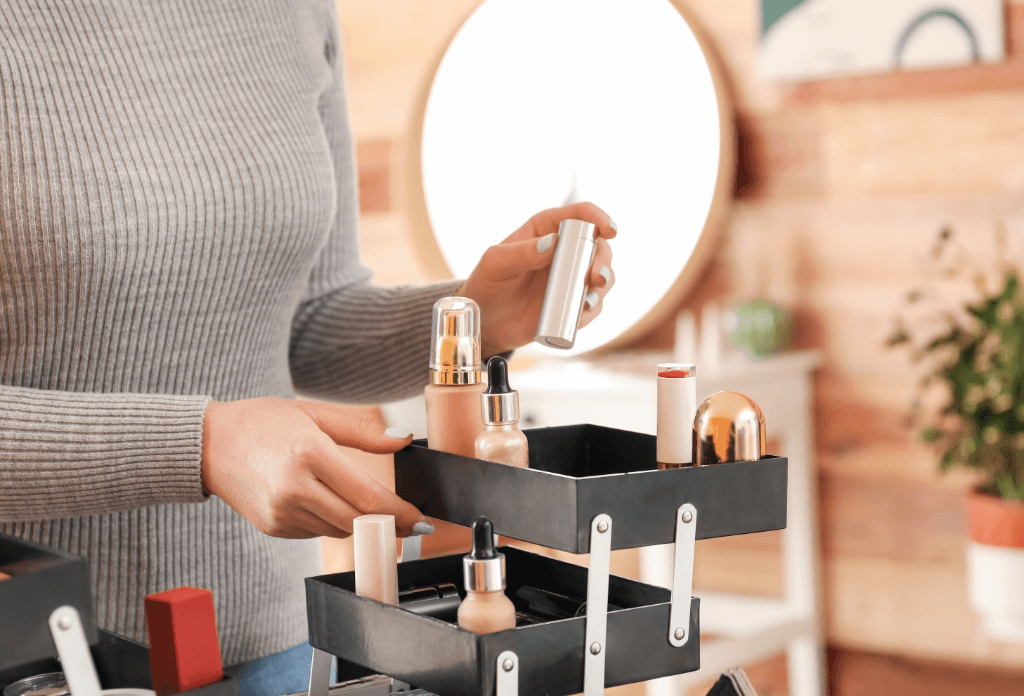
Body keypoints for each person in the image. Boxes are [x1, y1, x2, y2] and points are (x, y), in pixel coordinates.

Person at [0, 1, 616, 692]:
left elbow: (307, 321)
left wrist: (470, 320)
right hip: (40, 655)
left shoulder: (292, 12)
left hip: (277, 642)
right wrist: (197, 443)